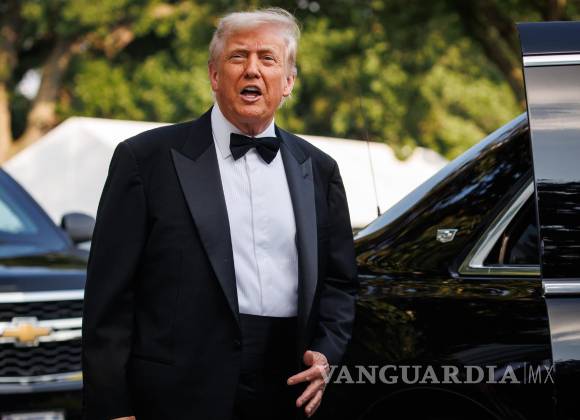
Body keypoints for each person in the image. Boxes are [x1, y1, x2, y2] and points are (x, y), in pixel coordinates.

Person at [82, 7, 357, 420]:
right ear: (214, 75)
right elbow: (108, 298)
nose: (252, 69)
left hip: (288, 392)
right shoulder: (144, 160)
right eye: (238, 56)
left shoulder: (319, 169)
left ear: (288, 82)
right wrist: (112, 408)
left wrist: (327, 353)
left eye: (268, 59)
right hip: (176, 396)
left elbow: (340, 282)